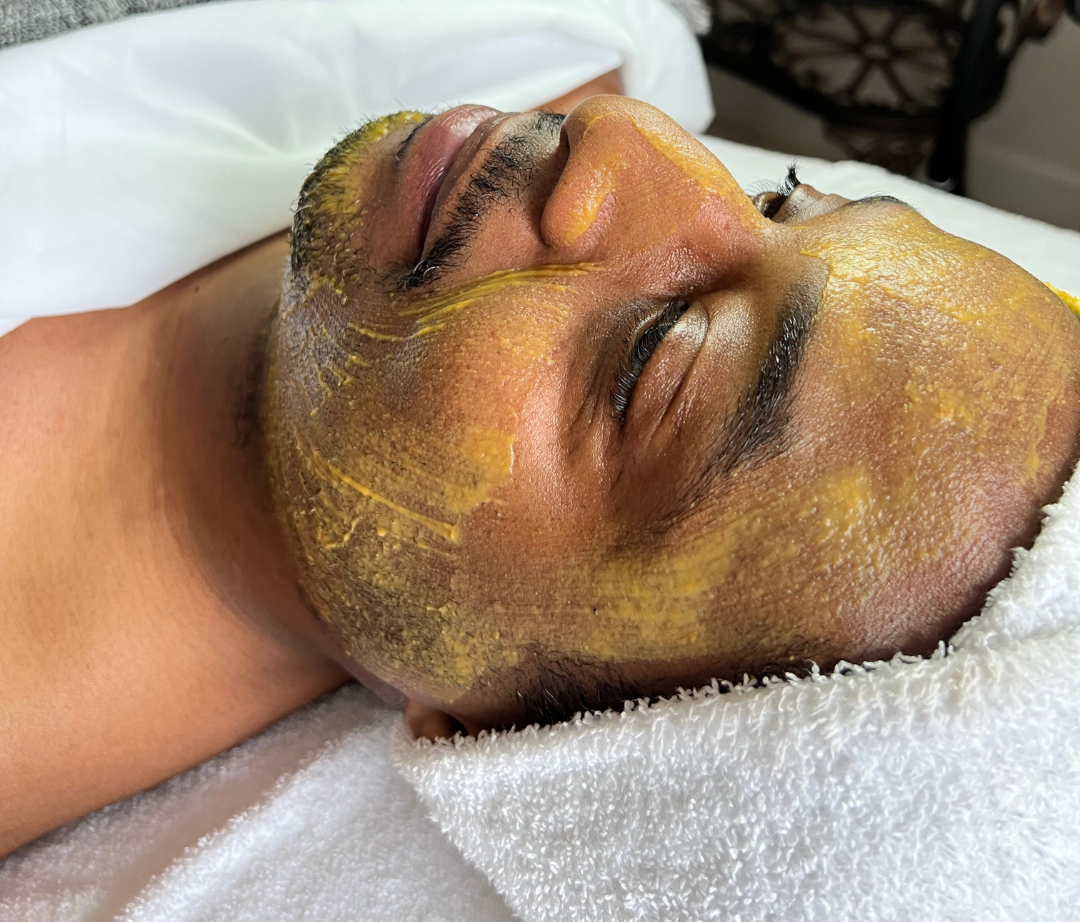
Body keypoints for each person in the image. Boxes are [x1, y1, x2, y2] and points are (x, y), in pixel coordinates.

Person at [2, 91, 1078, 858]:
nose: (624, 135)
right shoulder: (573, 42)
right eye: (781, 199)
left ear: (531, 741)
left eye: (661, 355)